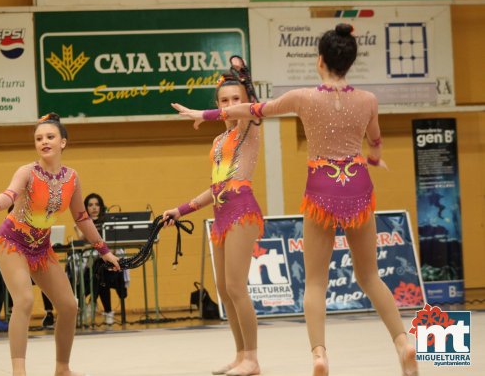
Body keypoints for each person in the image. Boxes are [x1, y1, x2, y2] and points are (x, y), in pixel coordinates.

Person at [172, 24, 418, 376]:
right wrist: (375, 158)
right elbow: (375, 141)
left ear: (320, 61)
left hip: (322, 189)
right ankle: (402, 342)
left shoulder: (303, 97)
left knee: (316, 281)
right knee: (370, 276)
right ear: (349, 63)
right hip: (359, 187)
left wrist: (207, 114)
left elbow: (255, 110)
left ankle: (319, 354)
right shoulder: (368, 100)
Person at [0, 113, 120, 376]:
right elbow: (10, 194)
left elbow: (82, 217)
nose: (44, 142)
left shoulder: (72, 178)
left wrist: (104, 250)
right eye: (39, 138)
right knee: (25, 300)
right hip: (12, 242)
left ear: (63, 142)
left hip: (41, 248)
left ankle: (62, 368)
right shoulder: (27, 172)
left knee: (69, 305)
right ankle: (19, 371)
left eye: (50, 137)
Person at [163, 56, 264, 376]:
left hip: (242, 211)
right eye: (224, 101)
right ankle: (240, 354)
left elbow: (252, 107)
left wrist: (245, 80)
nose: (231, 105)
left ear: (245, 101)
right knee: (223, 289)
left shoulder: (250, 125)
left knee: (236, 286)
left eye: (236, 99)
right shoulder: (219, 141)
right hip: (221, 212)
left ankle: (253, 358)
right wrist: (180, 210)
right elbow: (215, 187)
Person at [73, 193, 129, 326]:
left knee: (100, 270)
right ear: (86, 207)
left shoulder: (108, 222)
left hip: (107, 265)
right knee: (99, 274)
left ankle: (92, 302)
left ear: (101, 206)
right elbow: (82, 241)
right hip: (90, 264)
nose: (94, 208)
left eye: (97, 204)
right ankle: (107, 311)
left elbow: (111, 246)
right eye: (90, 205)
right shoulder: (84, 223)